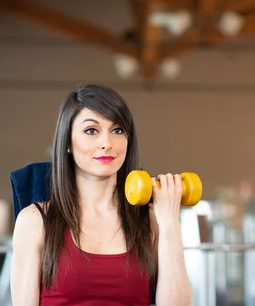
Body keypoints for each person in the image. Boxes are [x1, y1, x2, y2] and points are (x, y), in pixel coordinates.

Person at [10, 84, 192, 306]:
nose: (107, 143)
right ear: (67, 142)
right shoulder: (34, 221)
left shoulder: (150, 221)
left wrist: (170, 223)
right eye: (91, 131)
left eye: (117, 130)